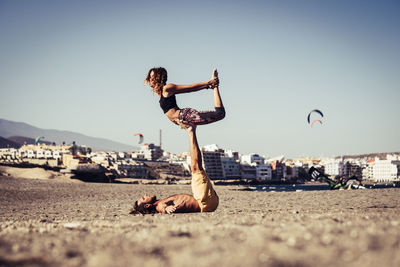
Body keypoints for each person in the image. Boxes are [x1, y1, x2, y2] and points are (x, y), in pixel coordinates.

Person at [130, 125, 219, 214]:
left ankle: (191, 131)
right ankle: (191, 131)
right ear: (147, 205)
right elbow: (162, 207)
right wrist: (167, 209)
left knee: (197, 170)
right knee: (196, 169)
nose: (145, 195)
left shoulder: (159, 202)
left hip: (207, 202)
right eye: (143, 198)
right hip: (204, 202)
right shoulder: (159, 205)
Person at [144, 67, 225, 128]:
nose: (150, 79)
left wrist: (208, 83)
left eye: (152, 77)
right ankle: (214, 85)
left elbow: (190, 88)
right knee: (220, 115)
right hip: (184, 119)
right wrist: (207, 86)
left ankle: (215, 86)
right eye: (150, 77)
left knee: (220, 114)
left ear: (158, 78)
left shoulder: (167, 88)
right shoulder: (161, 92)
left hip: (186, 116)